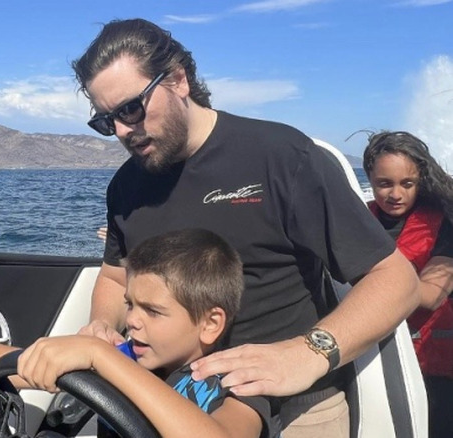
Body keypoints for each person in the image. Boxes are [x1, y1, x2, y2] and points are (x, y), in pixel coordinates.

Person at [72, 18, 419, 437]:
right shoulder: (125, 188)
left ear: (179, 79)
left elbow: (397, 279)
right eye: (108, 121)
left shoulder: (282, 157)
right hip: (167, 399)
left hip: (290, 403)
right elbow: (114, 276)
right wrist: (102, 328)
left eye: (131, 108)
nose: (124, 131)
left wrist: (307, 353)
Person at [0, 228, 278, 438]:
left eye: (153, 311)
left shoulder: (239, 383)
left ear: (210, 324)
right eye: (130, 305)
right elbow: (21, 364)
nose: (132, 320)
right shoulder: (132, 354)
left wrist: (102, 358)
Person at [363, 131, 453, 438]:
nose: (395, 194)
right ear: (370, 180)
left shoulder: (445, 223)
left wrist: (372, 286)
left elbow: (431, 295)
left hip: (435, 369)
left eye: (407, 183)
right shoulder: (358, 220)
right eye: (384, 183)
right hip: (373, 359)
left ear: (420, 182)